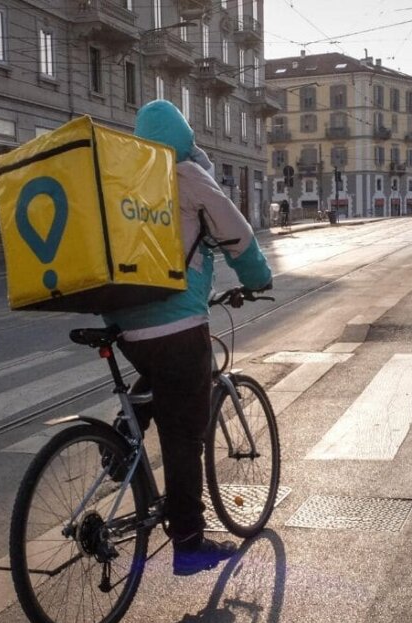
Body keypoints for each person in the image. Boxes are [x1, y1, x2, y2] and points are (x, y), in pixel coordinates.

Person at [102, 100, 273, 576]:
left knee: (161, 379)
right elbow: (236, 233)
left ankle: (124, 433)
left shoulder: (125, 179)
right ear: (183, 137)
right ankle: (190, 544)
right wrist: (258, 278)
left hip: (127, 324)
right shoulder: (187, 174)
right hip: (178, 324)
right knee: (184, 436)